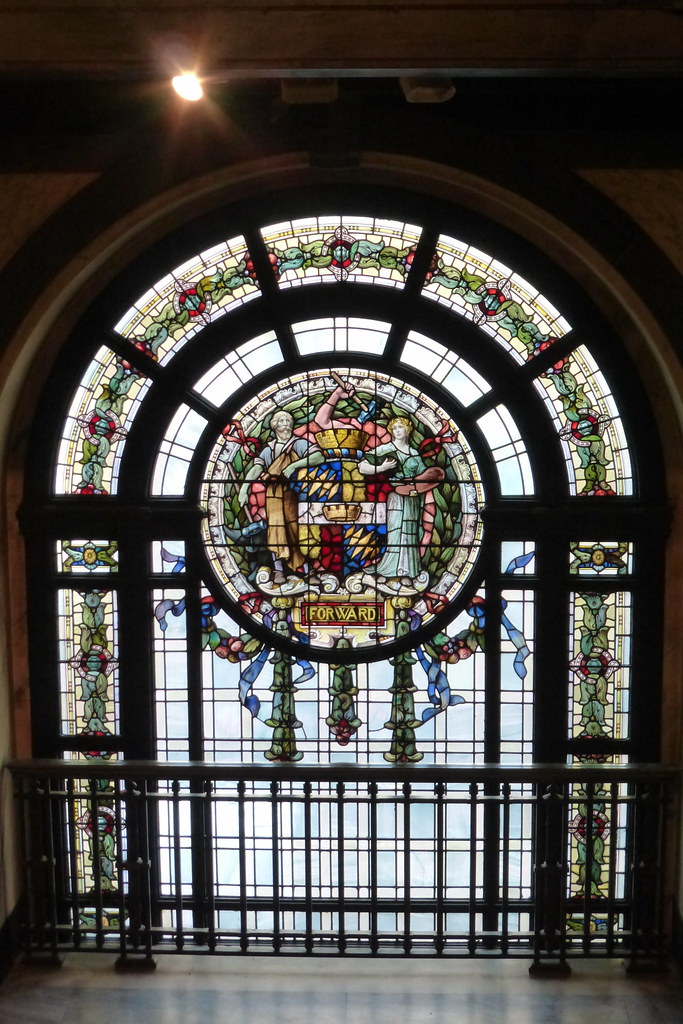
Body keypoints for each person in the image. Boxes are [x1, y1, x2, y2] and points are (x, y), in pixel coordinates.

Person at [358, 416, 443, 581]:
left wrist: (418, 485)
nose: (397, 431)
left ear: (408, 430)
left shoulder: (414, 453)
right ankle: (390, 567)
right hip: (395, 495)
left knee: (410, 531)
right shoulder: (385, 449)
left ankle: (409, 570)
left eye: (401, 427)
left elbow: (425, 478)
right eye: (395, 427)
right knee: (396, 529)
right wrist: (381, 467)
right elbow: (362, 466)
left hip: (412, 497)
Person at [238, 410, 318, 581]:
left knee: (296, 530)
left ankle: (307, 570)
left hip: (294, 493)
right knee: (276, 530)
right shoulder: (269, 449)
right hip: (273, 493)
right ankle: (279, 570)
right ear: (274, 426)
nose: (286, 422)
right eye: (281, 420)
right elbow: (256, 469)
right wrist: (244, 490)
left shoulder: (299, 444)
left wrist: (294, 465)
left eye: (288, 419)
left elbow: (318, 457)